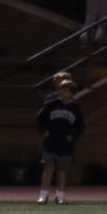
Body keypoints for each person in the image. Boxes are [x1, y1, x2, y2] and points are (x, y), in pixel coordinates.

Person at [36, 72, 84, 204]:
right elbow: (40, 118)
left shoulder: (75, 108)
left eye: (64, 90)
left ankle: (60, 195)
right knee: (48, 168)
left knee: (62, 170)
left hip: (65, 143)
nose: (60, 92)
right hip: (51, 141)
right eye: (60, 89)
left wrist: (73, 136)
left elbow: (80, 126)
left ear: (71, 92)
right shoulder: (51, 104)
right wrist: (43, 131)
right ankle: (43, 195)